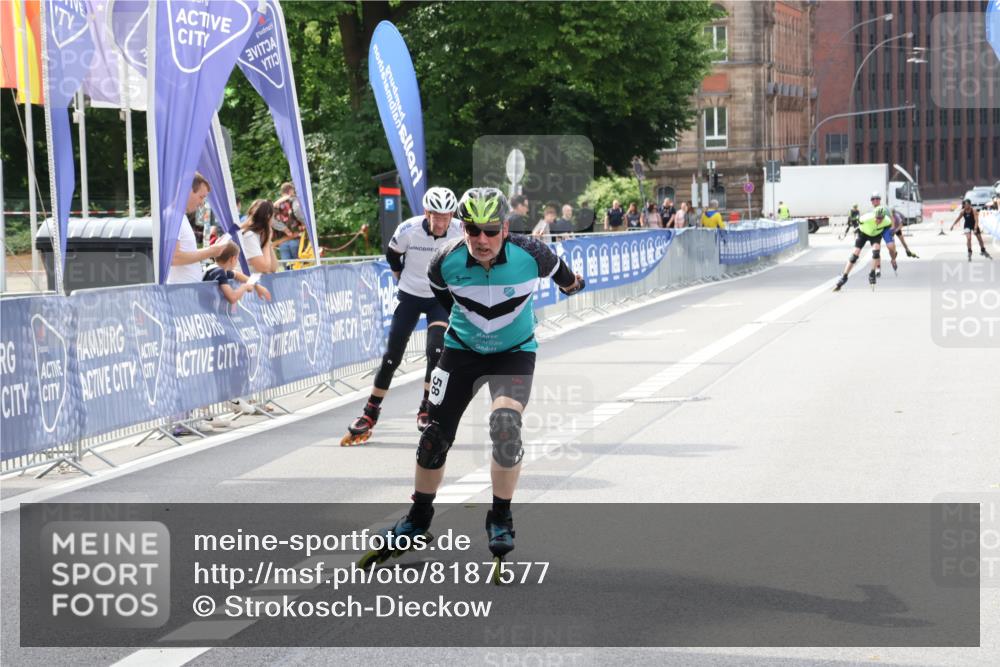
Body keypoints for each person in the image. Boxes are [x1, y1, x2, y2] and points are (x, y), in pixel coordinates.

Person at [358, 187, 584, 573]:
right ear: (463, 229)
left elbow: (570, 282)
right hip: (461, 351)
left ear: (506, 227)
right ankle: (417, 520)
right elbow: (445, 300)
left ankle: (500, 517)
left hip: (513, 353)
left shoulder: (534, 254)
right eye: (473, 230)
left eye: (490, 230)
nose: (481, 239)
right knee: (433, 437)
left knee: (506, 426)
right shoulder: (444, 263)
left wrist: (573, 284)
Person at [341, 187, 463, 445]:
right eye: (436, 216)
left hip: (439, 298)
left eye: (446, 216)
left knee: (436, 351)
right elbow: (392, 255)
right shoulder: (409, 229)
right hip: (409, 293)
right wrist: (400, 278)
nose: (441, 222)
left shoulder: (460, 230)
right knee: (392, 356)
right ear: (426, 212)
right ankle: (370, 412)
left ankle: (426, 407)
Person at [167, 173, 225, 284]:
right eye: (201, 197)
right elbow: (174, 258)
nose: (202, 202)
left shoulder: (178, 216)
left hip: (185, 290)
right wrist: (210, 252)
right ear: (187, 191)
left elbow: (183, 254)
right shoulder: (173, 217)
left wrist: (211, 250)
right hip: (181, 291)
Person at [833, 193, 890, 292]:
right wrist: (855, 230)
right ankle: (844, 276)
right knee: (855, 255)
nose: (879, 220)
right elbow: (856, 222)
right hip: (863, 233)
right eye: (877, 218)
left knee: (876, 252)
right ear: (874, 216)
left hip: (876, 234)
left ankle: (872, 273)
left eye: (881, 218)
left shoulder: (887, 221)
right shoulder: (866, 218)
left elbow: (888, 230)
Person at [203, 242, 272, 306]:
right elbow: (232, 298)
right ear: (233, 259)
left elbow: (236, 274)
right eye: (237, 258)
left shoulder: (216, 269)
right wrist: (245, 286)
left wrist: (257, 286)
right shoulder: (219, 272)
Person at [240, 199, 280, 274]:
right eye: (273, 217)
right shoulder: (249, 236)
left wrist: (267, 241)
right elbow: (264, 268)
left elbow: (273, 268)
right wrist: (266, 244)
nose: (273, 220)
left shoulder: (261, 235)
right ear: (268, 217)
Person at [273, 182, 303, 267]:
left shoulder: (276, 204)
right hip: (295, 237)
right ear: (290, 190)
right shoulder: (293, 200)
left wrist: (284, 229)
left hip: (282, 241)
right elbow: (297, 212)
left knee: (287, 268)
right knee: (298, 266)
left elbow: (272, 220)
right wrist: (304, 223)